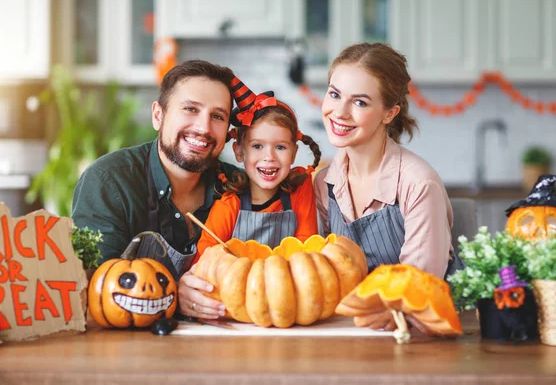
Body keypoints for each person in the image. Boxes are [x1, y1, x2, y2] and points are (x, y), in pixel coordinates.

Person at [71, 60, 239, 289]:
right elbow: (100, 288)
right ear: (158, 116)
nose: (204, 128)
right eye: (191, 109)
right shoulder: (107, 181)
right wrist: (175, 296)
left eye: (218, 116)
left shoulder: (239, 186)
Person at [314, 42, 459, 279]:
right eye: (334, 94)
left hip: (415, 312)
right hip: (351, 314)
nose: (339, 112)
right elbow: (325, 272)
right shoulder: (324, 183)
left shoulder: (418, 184)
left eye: (360, 102)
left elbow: (418, 285)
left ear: (389, 113)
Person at [193, 78, 321, 264]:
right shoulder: (229, 206)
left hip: (288, 284)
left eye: (280, 147)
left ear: (294, 153)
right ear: (239, 151)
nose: (269, 156)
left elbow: (306, 249)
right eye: (257, 146)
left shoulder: (300, 188)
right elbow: (204, 262)